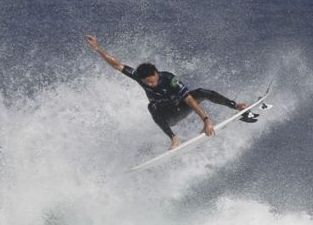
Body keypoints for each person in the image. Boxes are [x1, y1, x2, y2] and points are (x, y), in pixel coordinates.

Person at [86, 35, 250, 150]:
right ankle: (173, 138)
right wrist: (97, 48)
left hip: (181, 107)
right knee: (152, 106)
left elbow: (189, 99)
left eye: (153, 80)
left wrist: (205, 119)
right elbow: (117, 65)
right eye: (147, 83)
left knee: (201, 92)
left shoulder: (169, 79)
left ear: (157, 72)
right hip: (167, 115)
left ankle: (234, 105)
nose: (151, 84)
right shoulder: (138, 76)